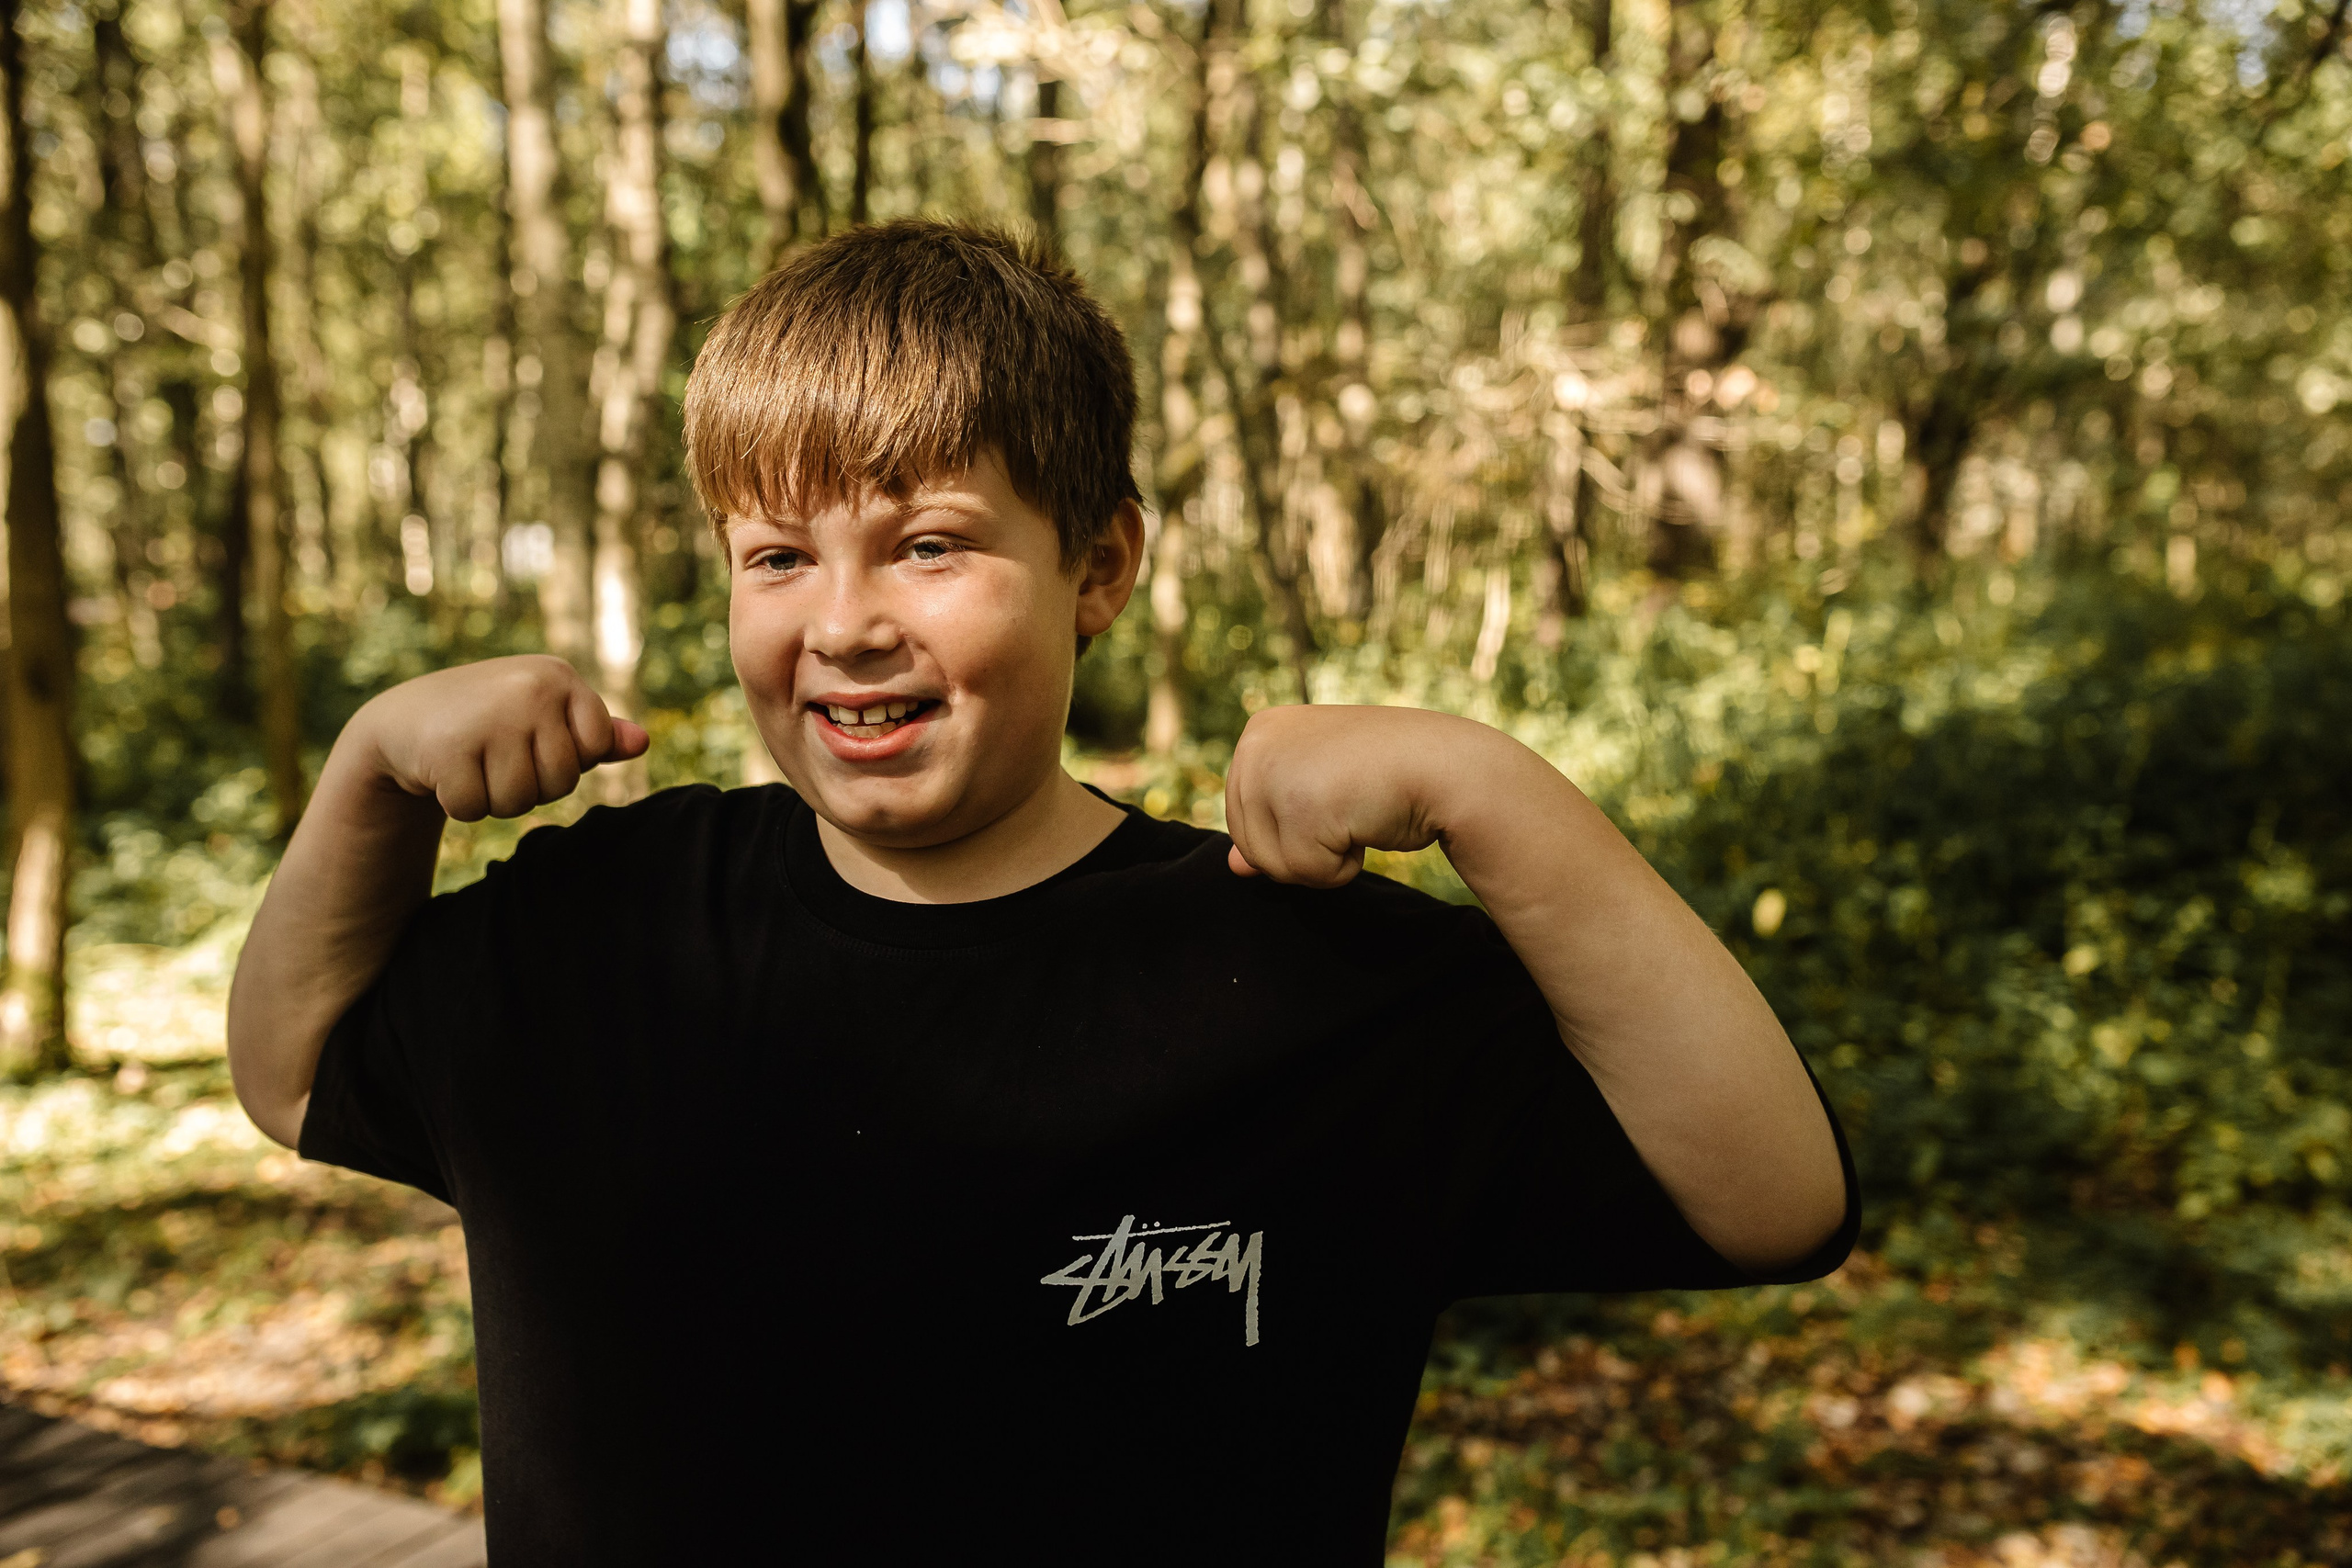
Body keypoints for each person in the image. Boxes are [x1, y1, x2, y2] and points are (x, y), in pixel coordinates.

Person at [228, 220, 1857, 1564]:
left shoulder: (1296, 974)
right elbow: (294, 1072)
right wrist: (368, 777)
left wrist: (1496, 793)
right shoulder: (600, 932)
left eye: (931, 545)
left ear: (1100, 572)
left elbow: (1774, 1201)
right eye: (778, 557)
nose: (846, 622)